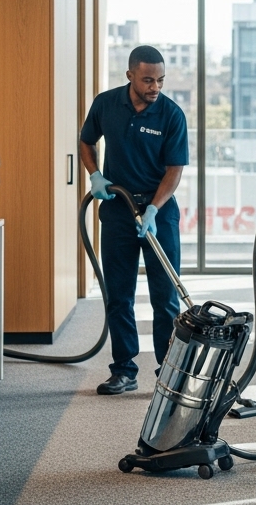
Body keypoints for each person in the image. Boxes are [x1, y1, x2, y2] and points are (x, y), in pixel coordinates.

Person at [79, 45, 189, 395]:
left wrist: (155, 209)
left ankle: (167, 371)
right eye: (147, 80)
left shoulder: (171, 115)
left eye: (160, 80)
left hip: (159, 212)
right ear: (130, 76)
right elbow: (86, 141)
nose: (155, 87)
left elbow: (174, 170)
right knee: (119, 295)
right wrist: (95, 175)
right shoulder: (107, 104)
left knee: (165, 298)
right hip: (118, 209)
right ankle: (124, 369)